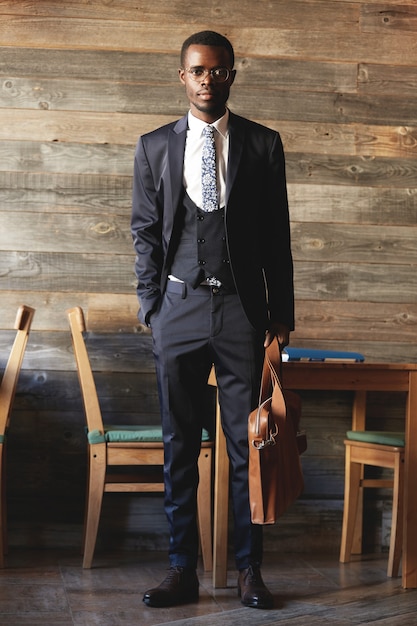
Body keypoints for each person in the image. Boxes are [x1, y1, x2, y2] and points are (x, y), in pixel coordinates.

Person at [131, 30, 294, 610]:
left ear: (232, 74)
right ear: (183, 77)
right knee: (179, 443)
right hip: (177, 309)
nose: (208, 79)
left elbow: (278, 235)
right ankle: (181, 570)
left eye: (218, 70)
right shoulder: (154, 147)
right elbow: (145, 232)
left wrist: (281, 316)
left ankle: (250, 570)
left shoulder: (262, 144)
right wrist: (152, 306)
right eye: (198, 70)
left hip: (242, 314)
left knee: (247, 446)